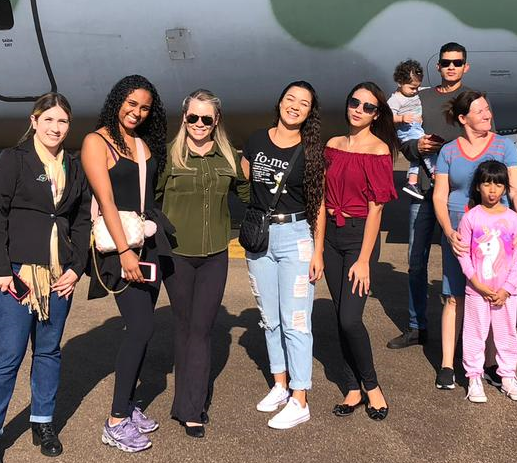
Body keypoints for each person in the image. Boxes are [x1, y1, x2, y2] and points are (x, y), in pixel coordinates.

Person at [0, 93, 91, 463]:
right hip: (18, 276)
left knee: (48, 352)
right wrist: (2, 267)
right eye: (50, 121)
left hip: (59, 277)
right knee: (7, 355)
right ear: (35, 120)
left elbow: (80, 220)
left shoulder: (72, 167)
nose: (56, 129)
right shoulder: (13, 160)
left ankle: (43, 424)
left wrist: (77, 268)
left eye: (63, 122)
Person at [82, 75, 175, 453]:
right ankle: (116, 421)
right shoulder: (96, 142)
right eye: (131, 103)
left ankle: (129, 406)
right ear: (117, 99)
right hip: (119, 246)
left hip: (147, 239)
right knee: (140, 327)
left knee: (142, 329)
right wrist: (124, 252)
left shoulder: (141, 143)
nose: (137, 112)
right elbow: (105, 200)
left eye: (145, 107)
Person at [156, 90, 248, 439]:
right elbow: (149, 197)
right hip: (177, 253)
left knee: (202, 328)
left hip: (214, 255)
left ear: (216, 121)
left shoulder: (228, 157)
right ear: (184, 118)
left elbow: (246, 196)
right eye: (192, 117)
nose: (198, 124)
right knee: (183, 325)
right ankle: (185, 403)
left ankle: (191, 408)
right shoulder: (170, 156)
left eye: (205, 119)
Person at [431, 89, 517, 390]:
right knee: (454, 296)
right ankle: (448, 364)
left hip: (497, 234)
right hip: (460, 235)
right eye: (480, 111)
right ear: (463, 118)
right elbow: (439, 194)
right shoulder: (448, 151)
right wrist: (449, 231)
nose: (488, 114)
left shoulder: (503, 146)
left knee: (493, 292)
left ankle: (489, 363)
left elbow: (516, 190)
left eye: (488, 109)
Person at [241, 81, 325, 430]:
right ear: (279, 102)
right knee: (269, 317)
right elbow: (244, 175)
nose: (295, 106)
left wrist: (317, 250)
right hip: (262, 236)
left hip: (296, 237)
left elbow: (319, 203)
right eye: (290, 99)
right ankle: (279, 383)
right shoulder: (257, 139)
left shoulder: (311, 150)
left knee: (296, 322)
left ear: (309, 113)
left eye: (303, 103)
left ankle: (300, 397)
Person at [318, 81, 399, 422]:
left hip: (358, 237)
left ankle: (372, 385)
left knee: (351, 318)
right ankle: (352, 388)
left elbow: (377, 209)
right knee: (340, 315)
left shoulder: (379, 151)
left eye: (368, 107)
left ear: (376, 114)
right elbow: (320, 200)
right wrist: (317, 250)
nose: (359, 110)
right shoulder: (333, 146)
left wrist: (364, 260)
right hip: (331, 237)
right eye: (355, 102)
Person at [388, 42, 469, 351]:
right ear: (438, 67)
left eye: (457, 62)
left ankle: (463, 329)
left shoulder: (472, 99)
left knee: (460, 262)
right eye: (446, 62)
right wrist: (416, 149)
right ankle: (416, 326)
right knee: (415, 263)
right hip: (423, 191)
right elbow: (403, 140)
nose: (451, 67)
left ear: (465, 66)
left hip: (458, 195)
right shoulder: (420, 97)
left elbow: (481, 139)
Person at [457, 161, 517, 402]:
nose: (492, 190)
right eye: (487, 183)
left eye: (498, 184)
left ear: (506, 188)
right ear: (478, 187)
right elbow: (463, 254)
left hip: (505, 292)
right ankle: (474, 377)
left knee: (506, 333)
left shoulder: (514, 219)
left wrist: (508, 288)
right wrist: (475, 282)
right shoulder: (470, 218)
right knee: (475, 333)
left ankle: (507, 375)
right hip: (477, 290)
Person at [389, 59, 428, 201]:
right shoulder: (396, 99)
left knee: (416, 158)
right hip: (407, 129)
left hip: (416, 127)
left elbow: (427, 91)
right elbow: (389, 116)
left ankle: (412, 182)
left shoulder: (416, 92)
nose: (415, 91)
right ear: (400, 83)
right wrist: (401, 118)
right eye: (412, 88)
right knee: (427, 149)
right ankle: (434, 174)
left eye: (418, 87)